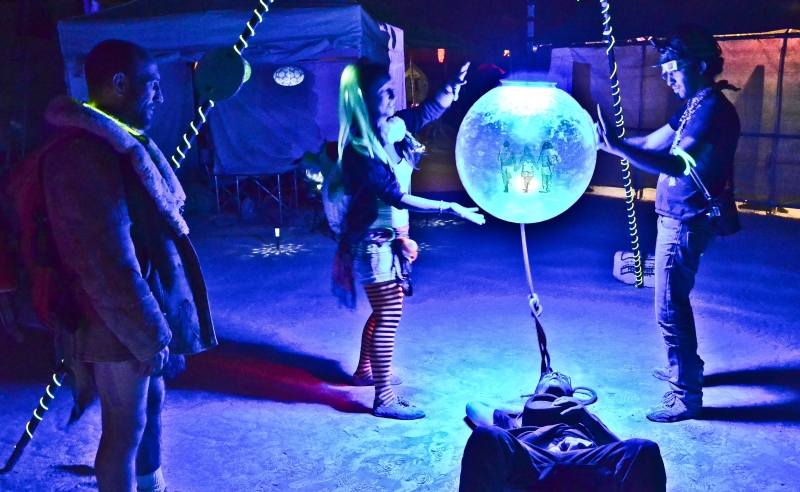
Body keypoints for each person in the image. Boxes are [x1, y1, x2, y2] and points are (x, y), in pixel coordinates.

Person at [40, 40, 216, 491]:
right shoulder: (85, 156)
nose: (160, 96)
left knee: (148, 408)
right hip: (112, 319)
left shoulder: (116, 145)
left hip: (131, 313)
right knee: (124, 430)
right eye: (152, 85)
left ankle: (151, 484)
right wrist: (147, 331)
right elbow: (107, 262)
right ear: (119, 84)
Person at [596, 24, 740, 422]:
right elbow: (650, 144)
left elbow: (678, 163)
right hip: (676, 217)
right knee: (673, 301)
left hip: (686, 221)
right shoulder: (694, 105)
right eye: (664, 71)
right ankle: (687, 368)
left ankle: (685, 395)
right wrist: (610, 144)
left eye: (673, 69)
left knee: (669, 307)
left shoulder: (712, 109)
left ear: (698, 65)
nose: (667, 78)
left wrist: (617, 146)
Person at [334, 59, 485, 420]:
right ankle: (384, 398)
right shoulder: (360, 150)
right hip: (373, 244)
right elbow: (397, 197)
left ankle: (365, 372)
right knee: (390, 314)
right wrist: (451, 207)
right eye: (383, 92)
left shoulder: (394, 127)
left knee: (385, 311)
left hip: (391, 240)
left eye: (391, 89)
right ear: (362, 101)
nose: (392, 96)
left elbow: (428, 111)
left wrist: (451, 85)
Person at [459, 395, 667, 492]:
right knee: (485, 435)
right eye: (548, 378)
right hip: (531, 463)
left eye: (560, 378)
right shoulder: (515, 422)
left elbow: (627, 455)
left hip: (586, 465)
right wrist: (522, 411)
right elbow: (473, 406)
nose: (554, 376)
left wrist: (590, 420)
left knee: (645, 449)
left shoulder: (582, 421)